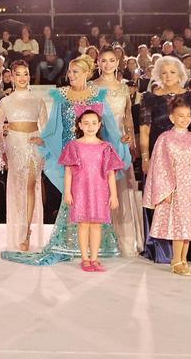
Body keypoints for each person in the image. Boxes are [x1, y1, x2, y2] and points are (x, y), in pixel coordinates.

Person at [2, 55, 131, 266]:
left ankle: (95, 249)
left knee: (93, 197)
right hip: (70, 153)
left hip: (93, 155)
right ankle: (70, 243)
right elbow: (54, 125)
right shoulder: (61, 94)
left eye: (75, 72)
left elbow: (106, 124)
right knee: (72, 196)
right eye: (69, 72)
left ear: (87, 73)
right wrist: (44, 140)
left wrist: (120, 141)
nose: (70, 75)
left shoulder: (97, 95)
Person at [138, 56, 191, 264]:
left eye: (172, 72)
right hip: (159, 157)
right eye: (164, 73)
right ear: (158, 76)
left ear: (180, 74)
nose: (168, 76)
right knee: (161, 201)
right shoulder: (149, 98)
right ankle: (160, 250)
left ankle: (190, 252)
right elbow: (144, 130)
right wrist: (145, 156)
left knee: (189, 204)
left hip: (188, 160)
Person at [144, 99, 191, 276]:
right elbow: (159, 165)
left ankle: (183, 259)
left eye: (187, 116)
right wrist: (165, 190)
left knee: (189, 226)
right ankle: (176, 260)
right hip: (175, 188)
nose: (185, 119)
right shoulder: (165, 138)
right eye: (180, 116)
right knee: (179, 225)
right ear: (172, 117)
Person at [60, 109, 125, 272]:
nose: (90, 126)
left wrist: (114, 195)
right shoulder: (74, 146)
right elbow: (68, 171)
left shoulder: (105, 147)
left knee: (97, 224)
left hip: (100, 191)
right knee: (83, 224)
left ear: (99, 125)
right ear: (80, 125)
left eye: (94, 123)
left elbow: (111, 173)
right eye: (86, 123)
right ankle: (85, 258)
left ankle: (95, 258)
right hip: (81, 190)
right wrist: (67, 191)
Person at [0, 62, 45, 252]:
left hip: (33, 144)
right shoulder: (6, 101)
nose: (22, 77)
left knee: (30, 186)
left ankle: (27, 232)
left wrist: (43, 140)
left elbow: (45, 127)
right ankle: (20, 228)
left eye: (26, 73)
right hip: (14, 145)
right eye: (18, 74)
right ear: (12, 77)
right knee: (18, 188)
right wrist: (3, 151)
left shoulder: (37, 100)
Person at [96, 50, 143, 256]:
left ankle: (122, 240)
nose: (107, 64)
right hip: (99, 142)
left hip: (120, 143)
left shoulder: (124, 87)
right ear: (98, 63)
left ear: (117, 63)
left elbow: (127, 117)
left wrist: (130, 138)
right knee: (100, 189)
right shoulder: (92, 87)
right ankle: (102, 240)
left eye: (111, 61)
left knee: (120, 189)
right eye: (103, 61)